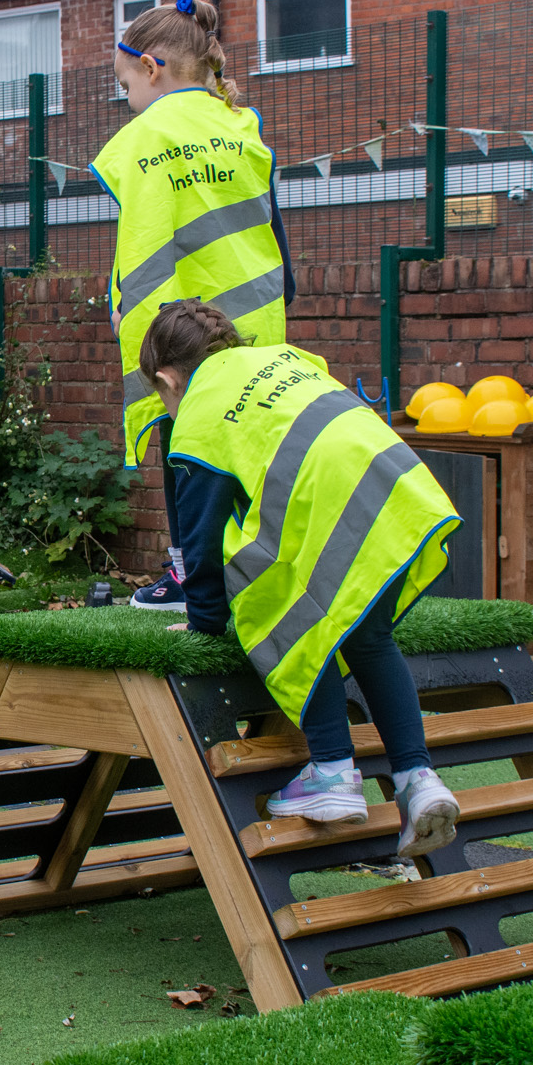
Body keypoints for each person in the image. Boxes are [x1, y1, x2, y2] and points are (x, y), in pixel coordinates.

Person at [141, 299, 464, 858]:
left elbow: (200, 539)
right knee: (370, 638)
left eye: (162, 396)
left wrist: (206, 623)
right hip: (396, 495)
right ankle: (418, 781)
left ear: (168, 378)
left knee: (279, 602)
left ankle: (334, 774)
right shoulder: (285, 358)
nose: (168, 407)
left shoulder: (198, 413)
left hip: (329, 503)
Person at [89, 0, 294, 613]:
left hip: (186, 324)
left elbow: (147, 231)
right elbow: (271, 224)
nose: (128, 100)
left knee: (186, 446)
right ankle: (247, 570)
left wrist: (130, 305)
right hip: (257, 316)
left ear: (151, 69)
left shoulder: (147, 134)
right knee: (247, 447)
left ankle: (187, 576)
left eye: (126, 84)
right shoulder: (242, 124)